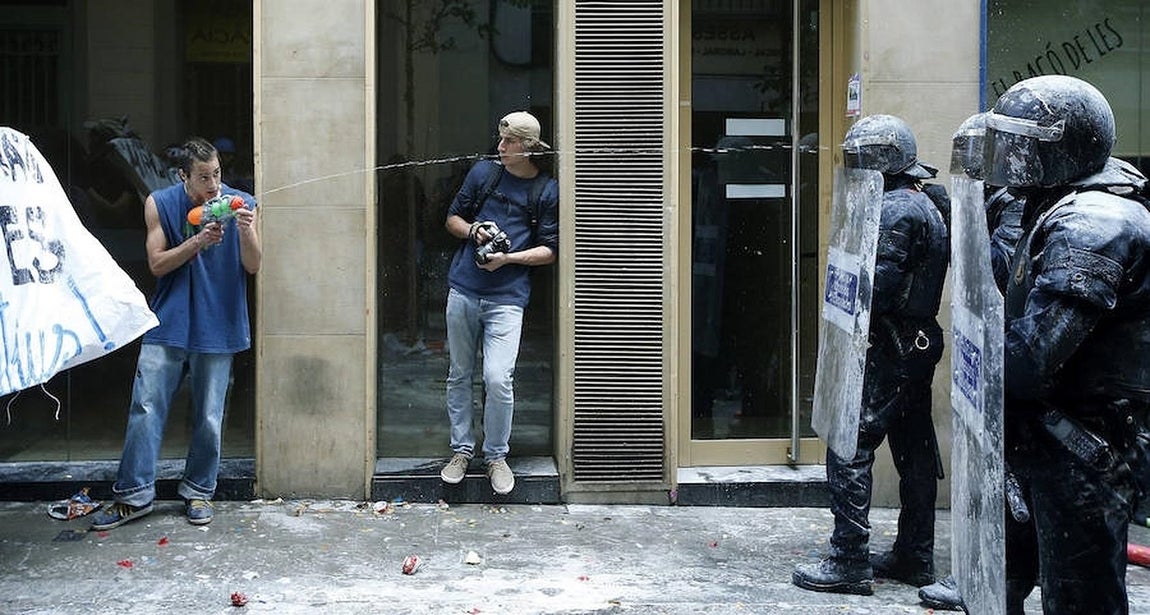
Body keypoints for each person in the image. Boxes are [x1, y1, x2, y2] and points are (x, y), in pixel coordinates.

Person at [983, 75, 1150, 614]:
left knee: (1080, 598)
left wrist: (978, 370)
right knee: (1000, 575)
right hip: (1042, 436)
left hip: (1085, 443)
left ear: (1059, 147)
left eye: (1021, 144)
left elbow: (1031, 359)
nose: (1008, 156)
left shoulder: (1095, 224)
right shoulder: (1053, 199)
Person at [793, 114, 950, 596]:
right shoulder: (926, 200)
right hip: (915, 343)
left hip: (890, 344)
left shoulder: (898, 210)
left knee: (849, 444)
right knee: (914, 449)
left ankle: (849, 559)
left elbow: (875, 289)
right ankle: (914, 554)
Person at [90, 137, 261, 530]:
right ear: (183, 176)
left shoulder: (242, 203)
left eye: (217, 174)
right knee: (145, 407)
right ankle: (133, 496)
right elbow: (156, 264)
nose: (213, 185)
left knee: (208, 416)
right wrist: (197, 241)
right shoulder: (160, 203)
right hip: (169, 320)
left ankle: (199, 491)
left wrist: (247, 232)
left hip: (219, 321)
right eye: (203, 177)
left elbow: (253, 266)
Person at [439, 111, 558, 495]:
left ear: (527, 148)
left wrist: (508, 258)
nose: (501, 146)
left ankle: (495, 456)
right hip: (463, 289)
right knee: (459, 374)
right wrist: (475, 231)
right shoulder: (483, 174)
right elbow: (452, 219)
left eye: (508, 142)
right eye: (501, 139)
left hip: (508, 299)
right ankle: (461, 451)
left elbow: (550, 252)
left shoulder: (546, 190)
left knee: (497, 378)